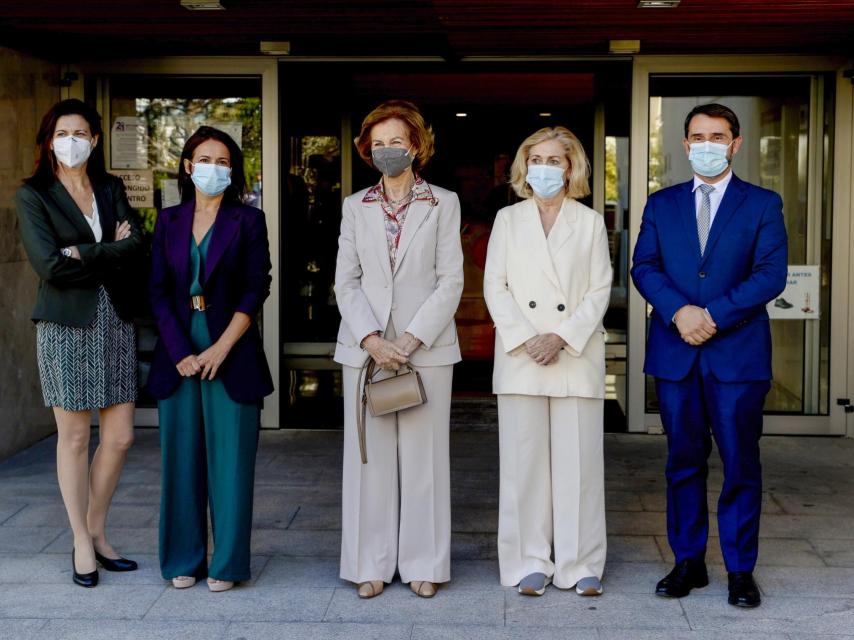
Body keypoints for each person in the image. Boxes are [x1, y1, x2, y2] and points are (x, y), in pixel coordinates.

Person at [631, 103, 788, 608]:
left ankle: (740, 570)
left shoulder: (763, 204)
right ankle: (689, 562)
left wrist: (711, 315)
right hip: (677, 354)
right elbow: (644, 267)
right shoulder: (661, 204)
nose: (706, 143)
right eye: (697, 135)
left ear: (735, 144)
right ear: (684, 144)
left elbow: (770, 275)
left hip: (737, 357)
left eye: (717, 136)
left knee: (741, 463)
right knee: (682, 461)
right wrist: (680, 313)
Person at [334, 100, 464, 599]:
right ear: (369, 150)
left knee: (424, 459)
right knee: (370, 460)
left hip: (424, 350)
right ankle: (370, 563)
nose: (389, 150)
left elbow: (451, 280)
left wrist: (410, 340)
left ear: (417, 146)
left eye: (398, 141)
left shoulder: (443, 203)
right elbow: (346, 281)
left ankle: (423, 564)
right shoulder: (354, 206)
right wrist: (372, 339)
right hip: (365, 350)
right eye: (379, 142)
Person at [15, 99, 143, 587]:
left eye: (82, 132)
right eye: (63, 132)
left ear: (94, 140)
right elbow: (49, 266)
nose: (73, 140)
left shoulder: (109, 188)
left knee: (120, 436)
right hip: (65, 325)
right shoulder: (34, 196)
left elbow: (136, 246)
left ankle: (97, 528)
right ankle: (81, 541)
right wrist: (108, 251)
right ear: (50, 140)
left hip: (114, 317)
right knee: (72, 437)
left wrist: (86, 251)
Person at [483, 126, 611, 597]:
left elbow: (600, 289)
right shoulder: (508, 220)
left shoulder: (590, 221)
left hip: (573, 355)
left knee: (579, 466)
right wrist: (526, 338)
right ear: (524, 167)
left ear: (571, 166)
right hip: (522, 356)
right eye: (536, 158)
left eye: (554, 160)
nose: (544, 167)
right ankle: (527, 561)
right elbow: (494, 285)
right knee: (524, 465)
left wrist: (560, 336)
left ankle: (580, 564)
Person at [147, 126, 273, 593]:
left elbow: (256, 286)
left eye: (223, 163)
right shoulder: (169, 221)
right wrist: (181, 352)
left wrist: (221, 346)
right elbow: (157, 291)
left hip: (232, 350)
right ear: (186, 166)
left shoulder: (249, 220)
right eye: (205, 160)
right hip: (178, 350)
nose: (213, 169)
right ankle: (184, 558)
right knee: (180, 462)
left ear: (233, 171)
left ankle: (227, 564)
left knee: (231, 464)